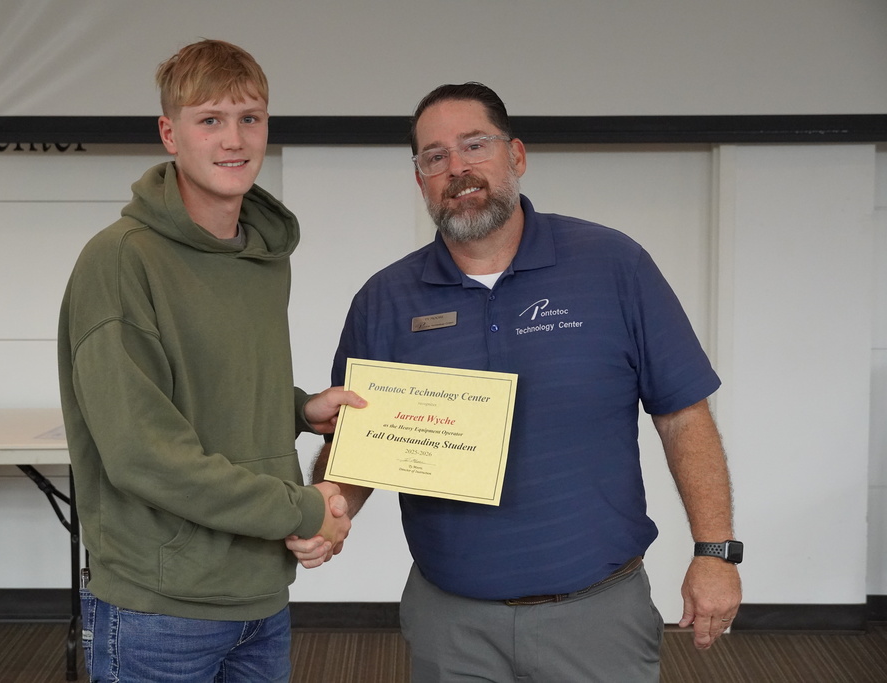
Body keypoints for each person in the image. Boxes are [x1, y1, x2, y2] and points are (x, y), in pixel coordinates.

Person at [288, 82, 742, 682]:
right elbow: (362, 438)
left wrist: (715, 552)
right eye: (434, 156)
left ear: (516, 156)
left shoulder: (612, 265)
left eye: (475, 145)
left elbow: (683, 415)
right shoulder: (385, 300)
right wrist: (331, 504)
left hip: (596, 617)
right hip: (450, 625)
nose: (458, 167)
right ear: (419, 178)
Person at [57, 39, 364, 683]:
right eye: (210, 120)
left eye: (249, 118)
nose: (234, 139)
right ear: (170, 134)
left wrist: (301, 408)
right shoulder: (120, 261)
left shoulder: (260, 257)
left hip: (260, 592)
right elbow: (143, 452)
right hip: (159, 610)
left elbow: (216, 386)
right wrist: (306, 509)